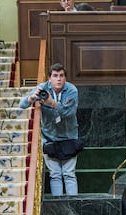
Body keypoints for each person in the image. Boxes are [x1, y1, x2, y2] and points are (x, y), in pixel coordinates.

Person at [19, 63, 80, 196]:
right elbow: (21, 105)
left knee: (69, 174)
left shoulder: (72, 91)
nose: (58, 79)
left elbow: (68, 113)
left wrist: (52, 102)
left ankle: (72, 205)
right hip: (49, 137)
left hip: (68, 136)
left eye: (61, 76)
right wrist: (31, 98)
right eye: (55, 76)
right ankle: (58, 207)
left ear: (65, 78)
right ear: (49, 78)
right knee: (55, 174)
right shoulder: (42, 89)